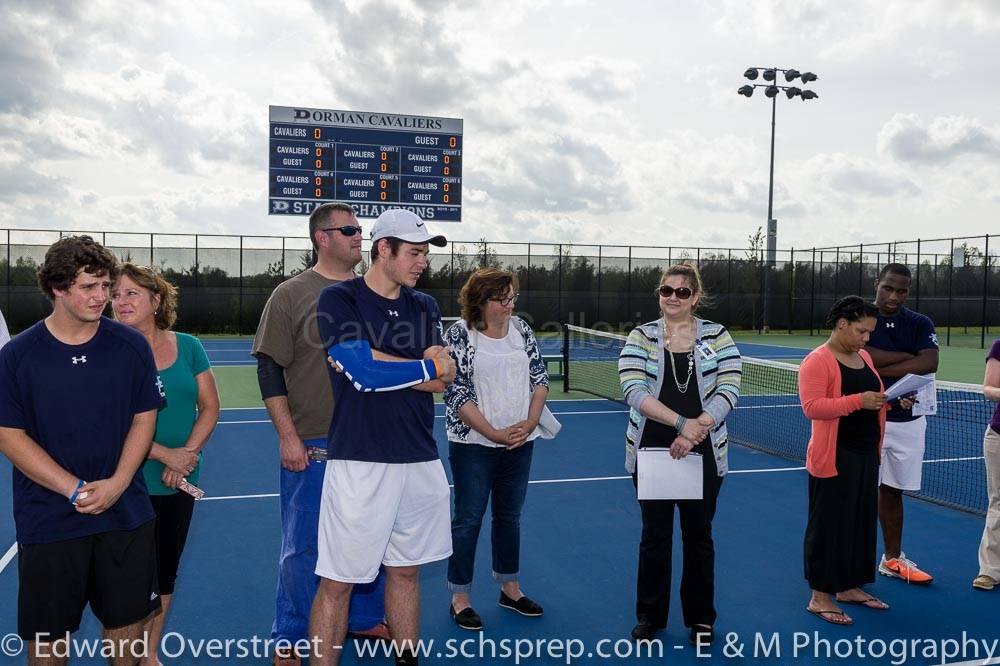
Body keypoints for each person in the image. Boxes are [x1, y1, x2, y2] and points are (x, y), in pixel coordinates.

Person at [0, 236, 164, 664]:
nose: (102, 297)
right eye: (89, 286)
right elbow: (8, 434)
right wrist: (74, 489)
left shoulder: (130, 346)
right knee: (48, 645)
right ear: (58, 288)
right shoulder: (18, 356)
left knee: (126, 638)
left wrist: (118, 483)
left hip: (125, 514)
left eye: (105, 285)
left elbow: (144, 417)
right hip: (49, 519)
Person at [309, 208, 456, 666]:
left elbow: (439, 381)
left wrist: (384, 363)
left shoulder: (424, 305)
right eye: (414, 253)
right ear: (383, 249)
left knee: (406, 571)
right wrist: (421, 364)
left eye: (425, 254)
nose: (422, 263)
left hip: (419, 456)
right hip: (361, 460)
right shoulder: (339, 299)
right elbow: (363, 373)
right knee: (338, 581)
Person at [252, 202, 388, 665]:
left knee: (375, 539)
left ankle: (364, 616)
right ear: (321, 237)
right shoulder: (290, 294)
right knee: (303, 546)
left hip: (372, 444)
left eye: (360, 229)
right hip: (314, 443)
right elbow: (269, 369)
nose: (358, 237)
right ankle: (291, 633)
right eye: (348, 229)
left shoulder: (375, 292)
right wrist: (288, 437)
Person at [617, 263, 741, 646]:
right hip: (652, 449)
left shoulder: (717, 336)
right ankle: (649, 616)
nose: (672, 297)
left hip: (704, 452)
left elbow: (730, 388)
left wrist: (697, 428)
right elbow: (633, 389)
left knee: (698, 537)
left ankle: (701, 619)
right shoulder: (641, 335)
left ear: (695, 298)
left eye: (682, 292)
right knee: (654, 536)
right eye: (665, 290)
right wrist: (680, 424)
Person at [111, 262, 220, 665]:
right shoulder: (109, 351)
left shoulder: (189, 346)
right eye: (116, 295)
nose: (120, 302)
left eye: (131, 293)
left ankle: (150, 652)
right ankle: (128, 654)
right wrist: (164, 455)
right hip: (128, 482)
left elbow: (209, 408)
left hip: (180, 480)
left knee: (166, 571)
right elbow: (110, 423)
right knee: (128, 578)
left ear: (156, 300)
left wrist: (187, 456)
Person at [443, 268, 552, 631]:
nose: (509, 304)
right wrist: (493, 433)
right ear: (481, 300)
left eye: (512, 298)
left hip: (520, 443)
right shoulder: (459, 335)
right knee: (468, 520)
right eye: (501, 298)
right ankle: (460, 598)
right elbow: (456, 393)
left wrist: (531, 422)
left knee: (509, 518)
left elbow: (539, 378)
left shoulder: (521, 329)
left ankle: (510, 588)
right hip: (473, 444)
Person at [799, 296, 912, 626]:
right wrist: (857, 401)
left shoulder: (862, 356)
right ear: (842, 323)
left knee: (859, 524)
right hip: (833, 457)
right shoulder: (817, 361)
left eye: (870, 333)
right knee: (828, 528)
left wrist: (890, 403)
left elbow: (870, 399)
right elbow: (813, 408)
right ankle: (820, 597)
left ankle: (848, 587)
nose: (866, 339)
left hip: (866, 454)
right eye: (862, 331)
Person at [866, 263, 939, 584]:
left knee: (893, 491)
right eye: (888, 288)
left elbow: (930, 362)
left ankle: (892, 559)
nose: (895, 296)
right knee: (856, 491)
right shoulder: (862, 317)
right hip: (865, 419)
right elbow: (862, 355)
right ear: (876, 285)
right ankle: (848, 560)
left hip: (909, 421)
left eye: (902, 290)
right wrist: (908, 360)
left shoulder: (920, 323)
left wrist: (883, 362)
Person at [974, 335, 1000, 591]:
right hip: (999, 438)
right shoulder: (999, 346)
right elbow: (989, 388)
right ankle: (990, 570)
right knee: (998, 502)